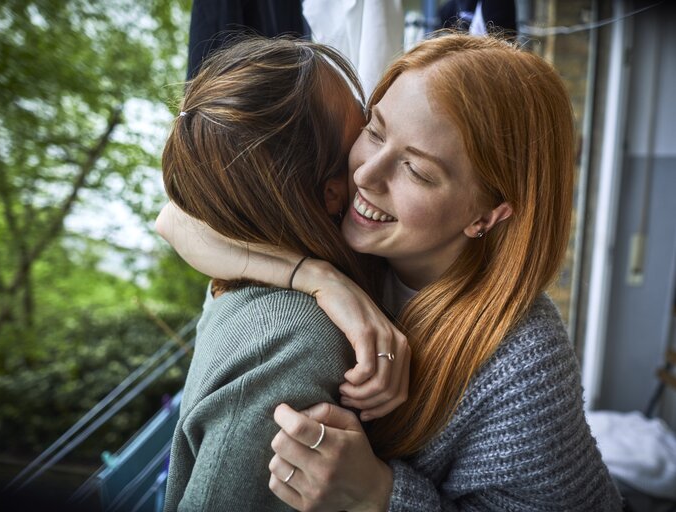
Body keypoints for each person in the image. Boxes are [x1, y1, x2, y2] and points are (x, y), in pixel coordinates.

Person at [158, 33, 623, 510]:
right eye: (375, 130)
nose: (365, 174)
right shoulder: (342, 229)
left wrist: (379, 494)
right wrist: (319, 278)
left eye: (417, 171)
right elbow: (176, 218)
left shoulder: (522, 362)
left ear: (486, 215)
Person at [159, 36, 409, 512]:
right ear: (334, 194)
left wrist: (311, 274)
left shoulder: (234, 261)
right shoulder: (294, 343)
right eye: (363, 121)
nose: (371, 121)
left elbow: (171, 217)